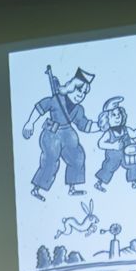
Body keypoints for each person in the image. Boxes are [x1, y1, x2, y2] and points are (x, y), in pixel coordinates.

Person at [21, 68, 96, 201]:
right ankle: (36, 189)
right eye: (79, 90)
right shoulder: (56, 100)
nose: (81, 95)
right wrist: (29, 123)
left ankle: (72, 188)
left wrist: (100, 126)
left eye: (84, 93)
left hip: (68, 134)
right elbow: (40, 107)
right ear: (71, 87)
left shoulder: (78, 109)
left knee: (77, 156)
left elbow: (84, 124)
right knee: (50, 160)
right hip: (52, 134)